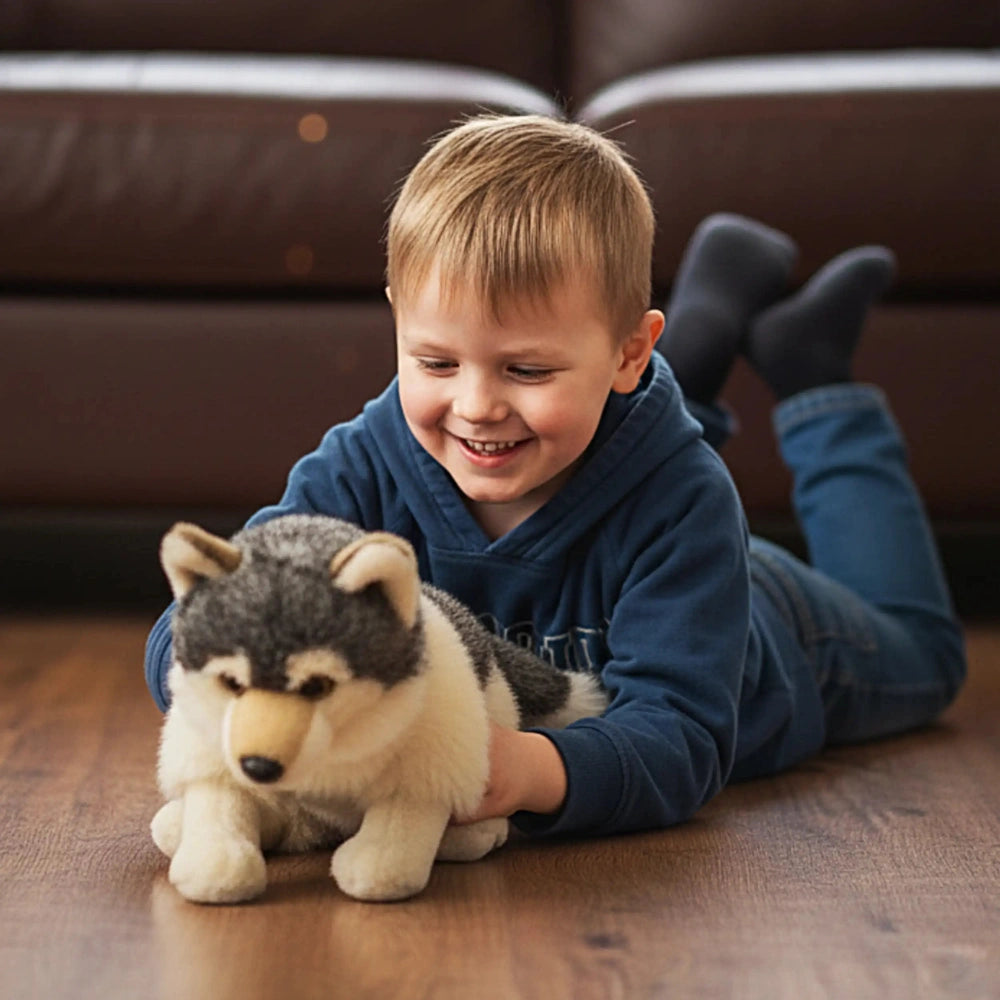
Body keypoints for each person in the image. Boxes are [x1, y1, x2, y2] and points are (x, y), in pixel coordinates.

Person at [144, 114, 966, 837]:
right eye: (435, 360)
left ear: (629, 352)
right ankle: (709, 329)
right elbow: (190, 628)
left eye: (525, 371)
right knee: (583, 430)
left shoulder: (686, 504)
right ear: (398, 314)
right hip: (633, 477)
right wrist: (233, 691)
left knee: (927, 655)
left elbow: (682, 738)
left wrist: (525, 771)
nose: (475, 405)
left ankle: (815, 372)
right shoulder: (357, 466)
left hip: (773, 631)